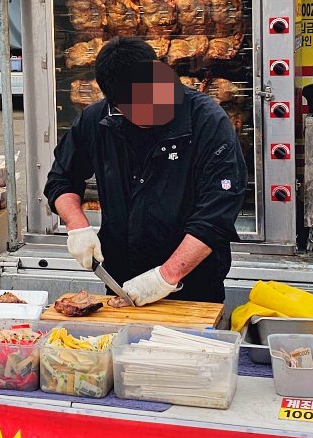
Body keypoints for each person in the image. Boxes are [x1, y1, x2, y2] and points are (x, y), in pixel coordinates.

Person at [44, 36, 248, 306]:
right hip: (122, 286)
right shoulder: (96, 121)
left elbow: (216, 217)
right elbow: (62, 178)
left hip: (195, 288)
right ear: (115, 105)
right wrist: (77, 226)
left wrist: (165, 277)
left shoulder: (207, 122)